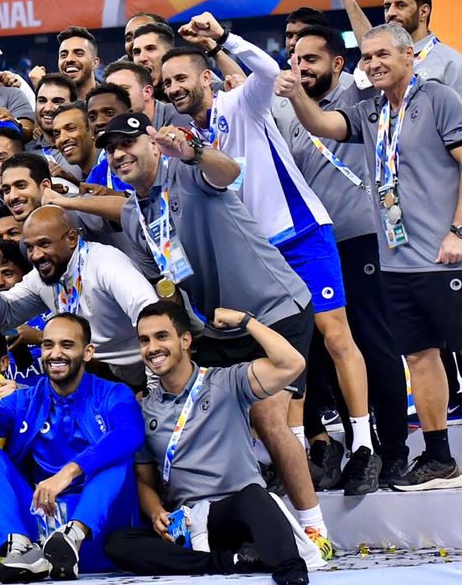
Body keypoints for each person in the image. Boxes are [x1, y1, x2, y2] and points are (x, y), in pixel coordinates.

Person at [277, 23, 462, 491]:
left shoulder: (439, 98)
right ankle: (439, 458)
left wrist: (460, 230)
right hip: (395, 259)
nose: (373, 64)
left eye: (382, 54)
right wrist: (295, 95)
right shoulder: (370, 111)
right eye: (367, 57)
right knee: (420, 356)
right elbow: (323, 125)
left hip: (445, 254)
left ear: (409, 55)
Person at [90, 113, 330, 548]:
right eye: (111, 149)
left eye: (128, 143)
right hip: (215, 328)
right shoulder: (133, 216)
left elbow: (229, 171)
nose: (119, 154)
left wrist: (194, 151)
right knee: (203, 412)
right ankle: (239, 520)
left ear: (152, 143)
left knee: (267, 417)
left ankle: (315, 528)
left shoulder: (186, 172)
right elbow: (166, 292)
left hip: (273, 309)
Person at [162, 15, 376, 495]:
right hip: (258, 255)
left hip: (300, 232)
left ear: (206, 77)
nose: (174, 88)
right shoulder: (185, 141)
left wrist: (222, 38)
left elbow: (266, 70)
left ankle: (364, 445)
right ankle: (297, 452)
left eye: (181, 78)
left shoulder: (240, 101)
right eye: (167, 82)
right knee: (283, 353)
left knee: (334, 334)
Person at [104, 301, 316, 585]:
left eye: (162, 336)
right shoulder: (144, 410)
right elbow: (144, 481)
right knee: (118, 543)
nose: (152, 348)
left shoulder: (227, 382)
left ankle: (295, 583)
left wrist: (246, 319)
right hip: (190, 524)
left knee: (254, 496)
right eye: (144, 340)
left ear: (185, 340)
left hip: (240, 513)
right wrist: (157, 511)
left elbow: (292, 363)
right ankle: (231, 562)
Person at [281, 25, 411, 483]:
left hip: (361, 238)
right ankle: (357, 444)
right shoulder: (292, 114)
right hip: (317, 247)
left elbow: (380, 47)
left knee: (374, 343)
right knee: (329, 350)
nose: (302, 68)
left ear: (338, 63)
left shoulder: (360, 96)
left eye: (311, 59)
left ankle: (394, 449)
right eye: (296, 60)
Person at [0, 313, 142, 582]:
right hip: (42, 525)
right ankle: (21, 549)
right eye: (48, 345)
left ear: (88, 352)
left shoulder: (113, 393)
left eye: (67, 345)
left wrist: (68, 472)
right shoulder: (24, 400)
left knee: (115, 456)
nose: (55, 353)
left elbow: (130, 434)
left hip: (99, 533)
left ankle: (73, 536)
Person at [0, 209, 155, 389]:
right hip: (100, 375)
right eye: (29, 247)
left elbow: (151, 317)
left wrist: (154, 387)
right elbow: (3, 317)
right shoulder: (41, 276)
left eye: (44, 244)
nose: (36, 255)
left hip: (147, 371)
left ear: (71, 239)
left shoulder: (105, 263)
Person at [316, 0, 462, 115]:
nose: (391, 13)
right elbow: (370, 42)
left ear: (423, 11)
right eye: (387, 7)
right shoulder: (383, 61)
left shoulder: (453, 64)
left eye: (401, 5)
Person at [105, 59, 183, 130]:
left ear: (147, 92)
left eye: (123, 89)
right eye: (110, 93)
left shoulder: (179, 117)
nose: (114, 99)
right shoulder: (112, 126)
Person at [57, 27, 101, 99]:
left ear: (95, 63)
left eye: (79, 54)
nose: (69, 59)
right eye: (63, 55)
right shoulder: (50, 103)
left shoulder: (111, 101)